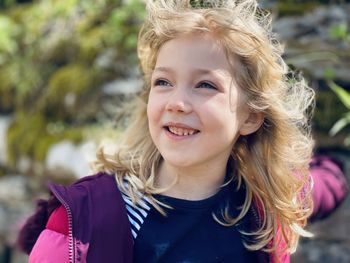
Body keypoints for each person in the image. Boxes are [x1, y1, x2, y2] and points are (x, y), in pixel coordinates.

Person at [17, 0, 348, 262]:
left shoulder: (260, 204)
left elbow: (312, 191)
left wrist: (338, 168)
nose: (176, 102)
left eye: (205, 85)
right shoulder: (85, 222)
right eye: (163, 82)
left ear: (250, 118)